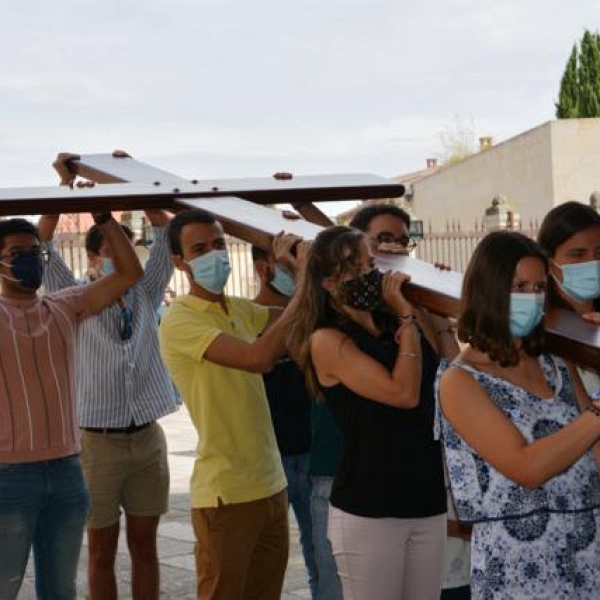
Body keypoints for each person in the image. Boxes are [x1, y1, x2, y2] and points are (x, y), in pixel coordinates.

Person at [38, 152, 179, 600]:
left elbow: (164, 235)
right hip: (97, 440)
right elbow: (41, 245)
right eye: (114, 248)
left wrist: (133, 177)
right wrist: (64, 187)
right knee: (101, 549)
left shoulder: (145, 290)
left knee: (145, 545)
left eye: (129, 248)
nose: (127, 257)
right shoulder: (71, 295)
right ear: (95, 255)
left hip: (146, 437)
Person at [436, 230, 600, 598]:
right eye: (519, 287)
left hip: (588, 549)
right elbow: (527, 468)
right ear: (488, 291)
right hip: (519, 565)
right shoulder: (460, 381)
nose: (532, 299)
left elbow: (594, 455)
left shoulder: (556, 361)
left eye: (539, 289)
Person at [287, 225, 447, 599]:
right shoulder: (326, 339)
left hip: (425, 496)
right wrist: (408, 321)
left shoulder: (392, 321)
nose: (367, 275)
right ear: (328, 282)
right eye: (353, 268)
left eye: (369, 264)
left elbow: (441, 375)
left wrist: (422, 306)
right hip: (371, 505)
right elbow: (402, 393)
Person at [159, 208, 306, 600]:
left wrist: (301, 264)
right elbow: (259, 358)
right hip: (226, 494)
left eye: (220, 244)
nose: (214, 255)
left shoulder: (241, 309)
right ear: (179, 261)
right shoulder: (180, 320)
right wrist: (304, 287)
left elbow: (302, 323)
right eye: (200, 248)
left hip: (271, 484)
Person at [0, 215, 143, 600]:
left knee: (62, 589)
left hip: (66, 470)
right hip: (9, 475)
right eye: (17, 254)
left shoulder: (64, 307)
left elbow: (130, 272)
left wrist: (104, 217)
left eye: (35, 252)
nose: (28, 260)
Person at [350, 203, 470, 599]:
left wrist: (433, 309)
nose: (396, 247)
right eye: (384, 238)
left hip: (439, 466)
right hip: (388, 484)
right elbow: (402, 392)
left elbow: (456, 373)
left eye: (403, 240)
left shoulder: (414, 303)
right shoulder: (358, 318)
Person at [252, 244, 319, 598]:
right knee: (263, 566)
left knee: (320, 557)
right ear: (263, 268)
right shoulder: (244, 317)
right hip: (266, 459)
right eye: (286, 265)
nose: (294, 273)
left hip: (311, 453)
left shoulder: (308, 317)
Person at [538, 200, 600, 394]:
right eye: (577, 254)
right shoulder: (539, 326)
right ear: (549, 263)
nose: (592, 263)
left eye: (599, 253)